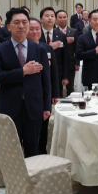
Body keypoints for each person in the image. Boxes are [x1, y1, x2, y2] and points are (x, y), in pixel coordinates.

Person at [0, 8, 51, 157]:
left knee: (33, 148)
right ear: (9, 27)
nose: (21, 26)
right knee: (11, 149)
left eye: (25, 22)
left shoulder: (39, 49)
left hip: (34, 106)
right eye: (16, 22)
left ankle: (31, 178)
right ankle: (13, 180)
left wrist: (46, 106)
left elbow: (46, 81)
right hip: (10, 106)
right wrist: (22, 71)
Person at [27, 18, 60, 155]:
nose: (35, 32)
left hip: (44, 93)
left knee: (44, 124)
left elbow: (53, 73)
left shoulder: (47, 48)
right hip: (30, 93)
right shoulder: (23, 49)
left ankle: (43, 151)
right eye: (32, 29)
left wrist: (55, 94)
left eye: (37, 29)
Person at [39, 7, 69, 97]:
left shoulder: (61, 35)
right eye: (47, 16)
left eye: (52, 16)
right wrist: (49, 47)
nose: (50, 18)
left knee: (56, 98)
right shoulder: (35, 33)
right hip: (39, 72)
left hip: (57, 73)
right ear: (41, 19)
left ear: (55, 19)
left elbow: (65, 57)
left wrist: (65, 76)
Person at [56, 9, 79, 95]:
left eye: (64, 17)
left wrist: (77, 63)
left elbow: (77, 48)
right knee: (58, 87)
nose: (62, 19)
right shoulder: (53, 32)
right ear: (56, 19)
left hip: (70, 63)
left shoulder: (73, 31)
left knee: (70, 86)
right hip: (57, 64)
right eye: (60, 17)